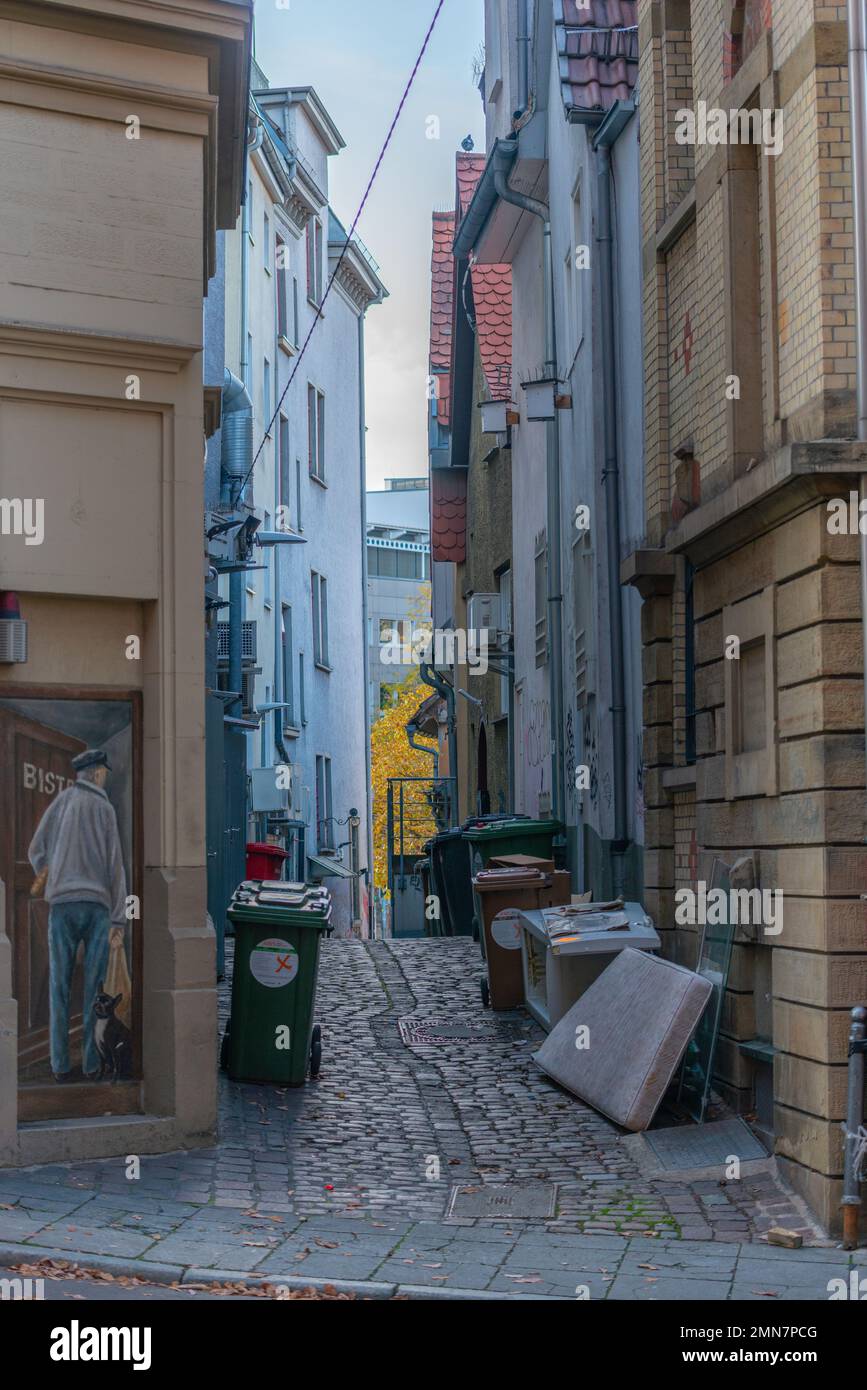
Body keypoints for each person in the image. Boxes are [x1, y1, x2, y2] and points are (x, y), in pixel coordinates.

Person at [28, 749, 127, 1082]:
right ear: (97, 773)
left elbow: (35, 848)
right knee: (93, 990)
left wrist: (48, 874)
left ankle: (59, 1066)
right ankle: (90, 1064)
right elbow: (116, 868)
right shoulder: (104, 808)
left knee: (59, 987)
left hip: (62, 906)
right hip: (97, 907)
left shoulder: (61, 803)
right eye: (104, 772)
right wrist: (119, 919)